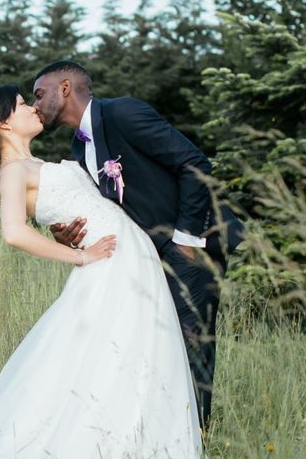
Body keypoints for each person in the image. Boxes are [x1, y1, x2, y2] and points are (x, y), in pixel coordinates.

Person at [0, 84, 204, 459]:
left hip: (132, 259)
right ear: (2, 123)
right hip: (107, 266)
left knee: (138, 358)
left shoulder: (41, 161)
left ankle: (141, 454)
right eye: (20, 106)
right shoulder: (14, 170)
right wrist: (79, 257)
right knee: (110, 361)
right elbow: (13, 233)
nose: (33, 108)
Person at [32, 60, 245, 432]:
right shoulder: (80, 146)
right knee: (159, 350)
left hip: (193, 245)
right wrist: (65, 233)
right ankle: (163, 443)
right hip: (145, 259)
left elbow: (195, 164)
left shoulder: (123, 113)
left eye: (39, 93)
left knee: (192, 346)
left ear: (65, 87)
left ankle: (196, 450)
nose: (36, 104)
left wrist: (185, 242)